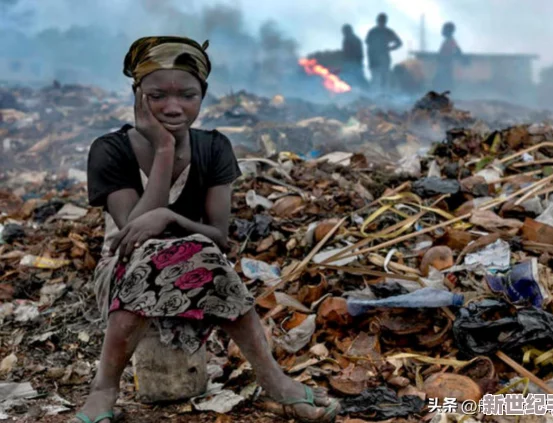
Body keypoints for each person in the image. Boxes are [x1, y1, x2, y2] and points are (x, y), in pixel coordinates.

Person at [73, 36, 340, 423]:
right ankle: (104, 389)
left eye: (187, 95)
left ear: (203, 95)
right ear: (137, 95)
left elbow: (219, 236)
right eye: (157, 95)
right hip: (123, 267)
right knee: (161, 254)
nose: (173, 106)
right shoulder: (110, 150)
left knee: (200, 249)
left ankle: (273, 379)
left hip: (202, 266)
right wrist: (164, 149)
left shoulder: (214, 148)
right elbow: (131, 234)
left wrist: (173, 219)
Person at [365, 13, 402, 91]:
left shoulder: (387, 32)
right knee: (376, 78)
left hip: (383, 58)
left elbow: (399, 43)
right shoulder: (374, 32)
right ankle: (375, 95)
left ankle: (382, 95)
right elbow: (368, 44)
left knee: (383, 79)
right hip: (375, 59)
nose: (381, 22)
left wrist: (390, 48)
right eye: (380, 21)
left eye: (382, 21)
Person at [433, 22, 463, 92]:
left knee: (442, 83)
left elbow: (457, 51)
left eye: (444, 29)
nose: (442, 31)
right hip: (444, 66)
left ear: (448, 31)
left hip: (445, 66)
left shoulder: (451, 41)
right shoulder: (448, 41)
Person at [341, 24, 368, 89]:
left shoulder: (354, 39)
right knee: (348, 78)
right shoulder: (347, 39)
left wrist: (357, 61)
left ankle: (367, 91)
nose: (344, 33)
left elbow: (358, 53)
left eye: (345, 31)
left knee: (358, 78)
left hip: (354, 63)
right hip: (349, 63)